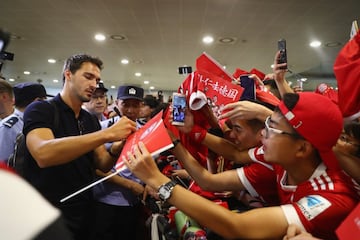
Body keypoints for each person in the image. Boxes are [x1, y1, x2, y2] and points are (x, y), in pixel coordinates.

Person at [124, 92, 359, 239]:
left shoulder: (329, 197)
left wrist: (158, 181)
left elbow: (237, 227)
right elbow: (213, 175)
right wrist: (176, 140)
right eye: (266, 122)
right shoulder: (280, 156)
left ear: (302, 149)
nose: (263, 134)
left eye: (272, 128)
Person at [22, 54, 137, 240]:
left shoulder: (89, 119)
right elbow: (43, 154)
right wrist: (107, 134)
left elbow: (102, 164)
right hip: (47, 212)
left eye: (97, 80)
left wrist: (117, 147)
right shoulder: (41, 109)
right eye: (88, 77)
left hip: (84, 211)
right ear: (68, 74)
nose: (94, 84)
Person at [93, 85, 149, 240]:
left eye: (135, 105)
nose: (130, 110)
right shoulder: (102, 129)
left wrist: (148, 183)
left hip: (132, 203)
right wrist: (130, 185)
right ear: (117, 103)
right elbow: (96, 168)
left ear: (141, 106)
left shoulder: (146, 132)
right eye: (126, 104)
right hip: (105, 200)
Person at [0, 82, 48, 163]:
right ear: (37, 102)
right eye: (44, 101)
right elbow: (3, 163)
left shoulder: (33, 122)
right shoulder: (8, 128)